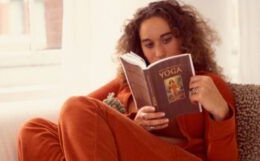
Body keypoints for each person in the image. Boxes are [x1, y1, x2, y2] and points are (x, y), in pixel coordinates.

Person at [17, 0, 238, 161]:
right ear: (139, 48)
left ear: (185, 38)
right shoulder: (126, 82)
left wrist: (221, 112)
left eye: (167, 39)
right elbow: (75, 120)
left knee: (75, 107)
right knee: (33, 130)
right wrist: (131, 124)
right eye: (149, 44)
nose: (159, 52)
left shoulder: (209, 83)